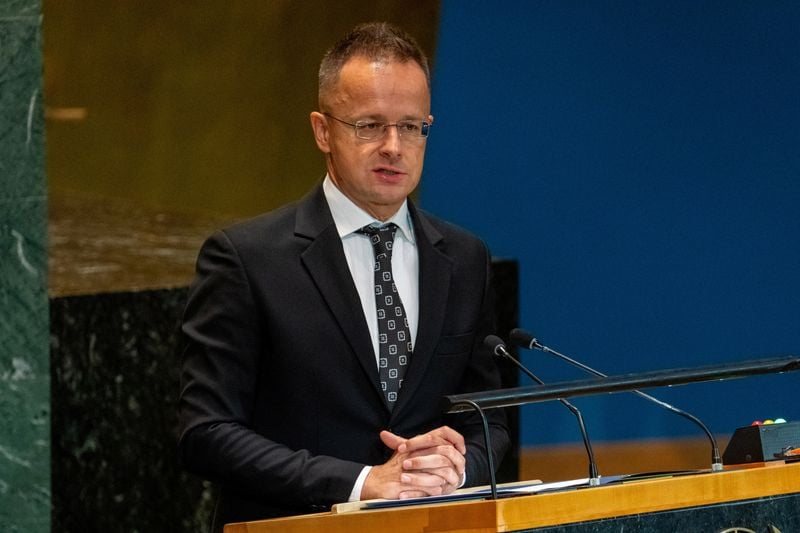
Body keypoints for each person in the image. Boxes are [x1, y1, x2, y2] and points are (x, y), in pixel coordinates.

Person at [178, 21, 509, 531]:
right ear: (322, 131)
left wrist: (457, 470)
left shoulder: (465, 258)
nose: (394, 146)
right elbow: (205, 433)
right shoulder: (246, 259)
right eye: (370, 125)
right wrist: (361, 483)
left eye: (411, 126)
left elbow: (488, 420)